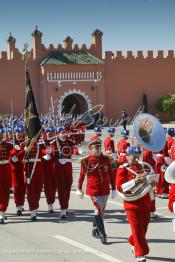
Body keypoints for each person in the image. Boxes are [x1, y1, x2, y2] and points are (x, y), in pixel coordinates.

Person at [116, 146, 156, 262]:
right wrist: (134, 181)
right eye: (134, 156)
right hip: (132, 204)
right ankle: (140, 254)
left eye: (138, 156)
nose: (137, 158)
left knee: (144, 227)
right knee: (137, 229)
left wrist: (151, 183)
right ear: (128, 156)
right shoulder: (123, 168)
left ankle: (132, 241)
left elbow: (146, 183)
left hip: (145, 201)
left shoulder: (141, 167)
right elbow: (120, 187)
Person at [77, 139, 116, 244]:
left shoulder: (106, 159)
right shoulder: (86, 161)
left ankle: (95, 229)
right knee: (98, 210)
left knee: (101, 212)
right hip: (94, 190)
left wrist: (114, 188)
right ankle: (103, 234)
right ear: (91, 149)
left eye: (99, 148)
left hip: (105, 190)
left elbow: (111, 174)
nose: (98, 150)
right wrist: (79, 188)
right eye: (95, 148)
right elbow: (82, 175)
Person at [52, 126, 75, 219]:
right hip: (59, 168)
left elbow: (75, 149)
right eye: (62, 132)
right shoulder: (54, 142)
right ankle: (63, 209)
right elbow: (51, 156)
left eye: (65, 132)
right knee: (61, 189)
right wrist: (58, 160)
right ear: (58, 133)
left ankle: (65, 206)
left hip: (68, 166)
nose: (64, 134)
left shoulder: (70, 142)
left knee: (68, 187)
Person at [0, 128, 13, 224]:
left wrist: (23, 149)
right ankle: (1, 212)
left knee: (6, 190)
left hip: (6, 168)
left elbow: (14, 153)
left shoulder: (8, 144)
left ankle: (3, 210)